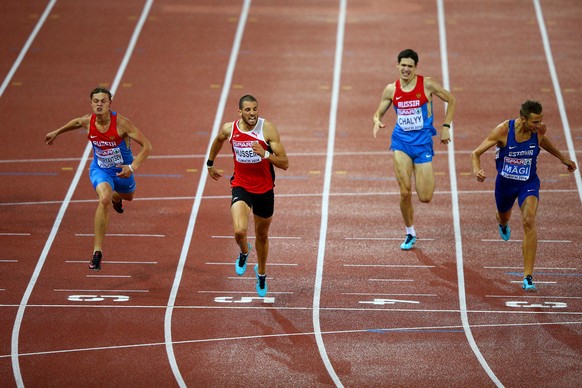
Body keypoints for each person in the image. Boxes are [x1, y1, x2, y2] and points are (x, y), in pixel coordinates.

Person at [471, 100, 576, 291]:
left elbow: (544, 142)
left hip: (529, 182)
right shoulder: (503, 131)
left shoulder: (538, 131)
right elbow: (475, 153)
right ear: (522, 119)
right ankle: (503, 223)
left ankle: (527, 276)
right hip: (505, 184)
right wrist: (477, 169)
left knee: (529, 220)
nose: (539, 126)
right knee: (504, 215)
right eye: (535, 122)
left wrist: (563, 159)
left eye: (540, 121)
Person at [45, 87, 152, 271]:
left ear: (110, 103)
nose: (99, 104)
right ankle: (97, 253)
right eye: (96, 101)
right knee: (103, 199)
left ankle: (117, 198)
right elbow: (77, 122)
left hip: (122, 171)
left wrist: (132, 167)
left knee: (129, 196)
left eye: (103, 101)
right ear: (91, 104)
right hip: (100, 170)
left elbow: (147, 146)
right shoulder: (89, 121)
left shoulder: (122, 123)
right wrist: (57, 132)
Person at [373, 48, 456, 250]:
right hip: (401, 142)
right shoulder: (391, 90)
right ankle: (410, 232)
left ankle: (422, 174)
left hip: (422, 144)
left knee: (425, 197)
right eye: (403, 65)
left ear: (415, 67)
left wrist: (446, 127)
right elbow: (378, 112)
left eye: (410, 66)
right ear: (397, 65)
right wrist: (377, 120)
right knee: (404, 192)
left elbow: (451, 100)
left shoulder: (427, 84)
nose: (406, 69)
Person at [207, 95, 289, 297]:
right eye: (248, 110)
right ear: (240, 112)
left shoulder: (267, 129)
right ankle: (244, 251)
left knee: (262, 235)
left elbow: (285, 163)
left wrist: (266, 154)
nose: (252, 114)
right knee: (239, 231)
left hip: (264, 190)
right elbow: (218, 140)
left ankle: (261, 273)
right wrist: (210, 163)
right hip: (241, 186)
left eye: (255, 109)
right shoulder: (230, 129)